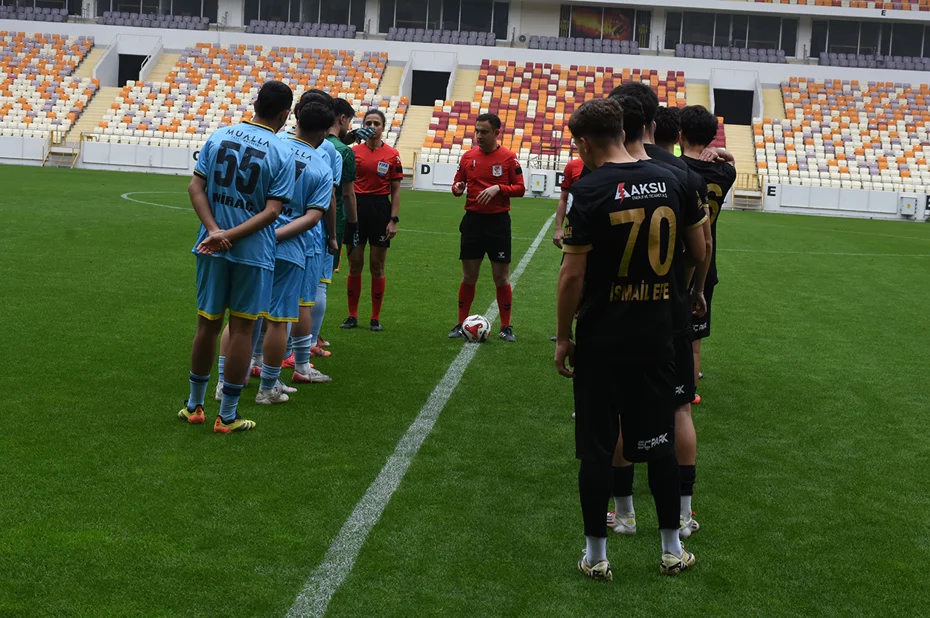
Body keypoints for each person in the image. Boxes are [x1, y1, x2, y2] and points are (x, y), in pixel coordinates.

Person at [555, 97, 706, 580]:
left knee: (598, 447)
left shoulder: (589, 188)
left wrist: (562, 336)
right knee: (660, 441)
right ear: (624, 130)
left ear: (584, 143)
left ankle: (597, 557)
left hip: (603, 336)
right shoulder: (674, 179)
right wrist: (683, 292)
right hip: (658, 332)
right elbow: (699, 247)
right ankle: (671, 549)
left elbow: (571, 275)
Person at [604, 85, 714, 541]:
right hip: (669, 309)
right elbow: (700, 247)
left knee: (619, 411)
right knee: (679, 407)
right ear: (654, 121)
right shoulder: (681, 173)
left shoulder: (603, 173)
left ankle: (624, 513)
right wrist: (691, 288)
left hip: (618, 312)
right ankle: (683, 516)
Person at [177, 80, 296, 434]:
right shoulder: (282, 152)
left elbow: (195, 187)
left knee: (207, 326)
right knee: (243, 330)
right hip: (253, 252)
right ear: (285, 114)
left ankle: (194, 406)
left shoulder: (219, 136)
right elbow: (273, 211)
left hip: (210, 247)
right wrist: (230, 235)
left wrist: (216, 231)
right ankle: (227, 415)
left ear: (255, 103)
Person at [213, 100, 334, 403]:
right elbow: (312, 217)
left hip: (254, 240)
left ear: (296, 119)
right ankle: (268, 387)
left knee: (242, 315)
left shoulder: (274, 146)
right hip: (290, 247)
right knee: (280, 320)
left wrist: (260, 232)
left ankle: (225, 382)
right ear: (325, 132)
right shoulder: (321, 166)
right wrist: (277, 235)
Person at [448, 113, 525, 342]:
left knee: (501, 277)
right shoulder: (468, 156)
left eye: (484, 132)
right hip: (472, 222)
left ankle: (505, 326)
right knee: (469, 275)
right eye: (477, 131)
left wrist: (499, 188)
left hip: (498, 223)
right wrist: (457, 188)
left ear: (496, 133)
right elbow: (457, 183)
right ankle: (461, 323)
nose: (479, 136)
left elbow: (520, 188)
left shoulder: (509, 158)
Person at [678, 105, 738, 401]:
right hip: (706, 261)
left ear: (680, 135)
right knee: (695, 335)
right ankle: (689, 394)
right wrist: (722, 153)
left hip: (676, 259)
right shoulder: (726, 173)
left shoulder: (675, 170)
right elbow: (731, 162)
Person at [341, 109, 403, 332]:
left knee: (377, 266)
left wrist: (393, 219)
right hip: (355, 208)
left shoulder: (392, 154)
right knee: (355, 264)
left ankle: (375, 317)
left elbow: (396, 191)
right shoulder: (352, 152)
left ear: (383, 127)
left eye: (377, 123)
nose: (373, 126)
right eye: (369, 122)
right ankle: (352, 315)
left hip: (379, 210)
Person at [554, 157, 585, 249]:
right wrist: (558, 228)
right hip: (576, 225)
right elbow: (564, 199)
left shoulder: (610, 165)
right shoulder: (573, 165)